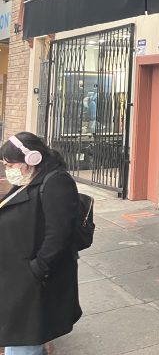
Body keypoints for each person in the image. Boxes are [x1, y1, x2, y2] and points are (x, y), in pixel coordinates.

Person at [0, 132, 82, 355]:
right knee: (19, 338)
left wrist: (36, 269)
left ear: (32, 158)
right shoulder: (28, 180)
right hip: (18, 278)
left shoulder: (56, 183)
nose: (7, 170)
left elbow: (59, 235)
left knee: (24, 341)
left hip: (33, 280)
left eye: (10, 164)